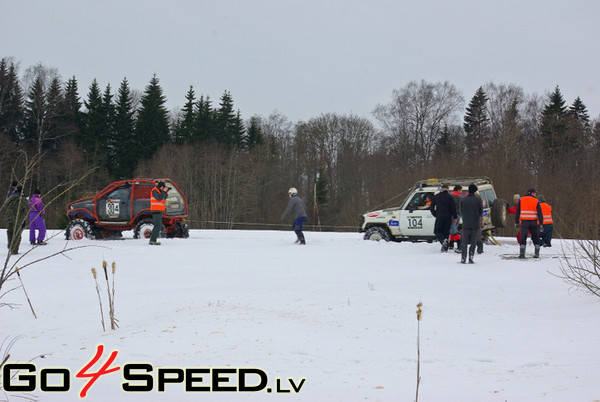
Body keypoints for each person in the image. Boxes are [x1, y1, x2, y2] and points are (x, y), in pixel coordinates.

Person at [515, 188, 543, 258]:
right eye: (534, 193)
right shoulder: (536, 201)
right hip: (534, 222)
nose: (535, 194)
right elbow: (540, 213)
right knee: (535, 237)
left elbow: (517, 212)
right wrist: (541, 223)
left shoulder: (521, 200)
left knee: (523, 237)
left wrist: (516, 222)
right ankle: (537, 254)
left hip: (524, 222)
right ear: (531, 193)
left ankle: (522, 254)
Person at [460, 184, 483, 263]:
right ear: (475, 191)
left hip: (466, 223)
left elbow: (461, 211)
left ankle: (463, 257)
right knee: (473, 241)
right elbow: (480, 212)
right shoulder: (478, 200)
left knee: (464, 241)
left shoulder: (463, 199)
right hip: (475, 223)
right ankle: (471, 257)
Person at [430, 184, 457, 252]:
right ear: (447, 189)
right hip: (448, 216)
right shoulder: (450, 197)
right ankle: (445, 247)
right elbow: (453, 208)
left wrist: (435, 214)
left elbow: (431, 207)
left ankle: (443, 241)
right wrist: (455, 217)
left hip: (439, 216)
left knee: (437, 230)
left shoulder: (436, 197)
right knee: (446, 232)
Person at [5, 185, 28, 254]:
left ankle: (10, 245)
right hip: (17, 219)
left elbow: (6, 205)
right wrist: (24, 220)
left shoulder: (11, 197)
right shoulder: (22, 199)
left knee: (10, 232)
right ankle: (14, 250)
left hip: (8, 218)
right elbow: (27, 210)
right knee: (17, 234)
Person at [149, 181, 170, 245]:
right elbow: (159, 198)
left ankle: (152, 239)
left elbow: (164, 197)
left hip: (159, 211)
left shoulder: (160, 191)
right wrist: (163, 192)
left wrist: (165, 192)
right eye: (163, 187)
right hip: (155, 211)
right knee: (157, 225)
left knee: (158, 225)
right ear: (161, 187)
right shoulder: (154, 191)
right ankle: (152, 240)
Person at [449, 186, 463, 250]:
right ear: (458, 190)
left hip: (453, 215)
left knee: (453, 230)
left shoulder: (451, 196)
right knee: (454, 229)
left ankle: (455, 244)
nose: (461, 191)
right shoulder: (461, 198)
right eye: (461, 190)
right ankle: (454, 243)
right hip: (458, 214)